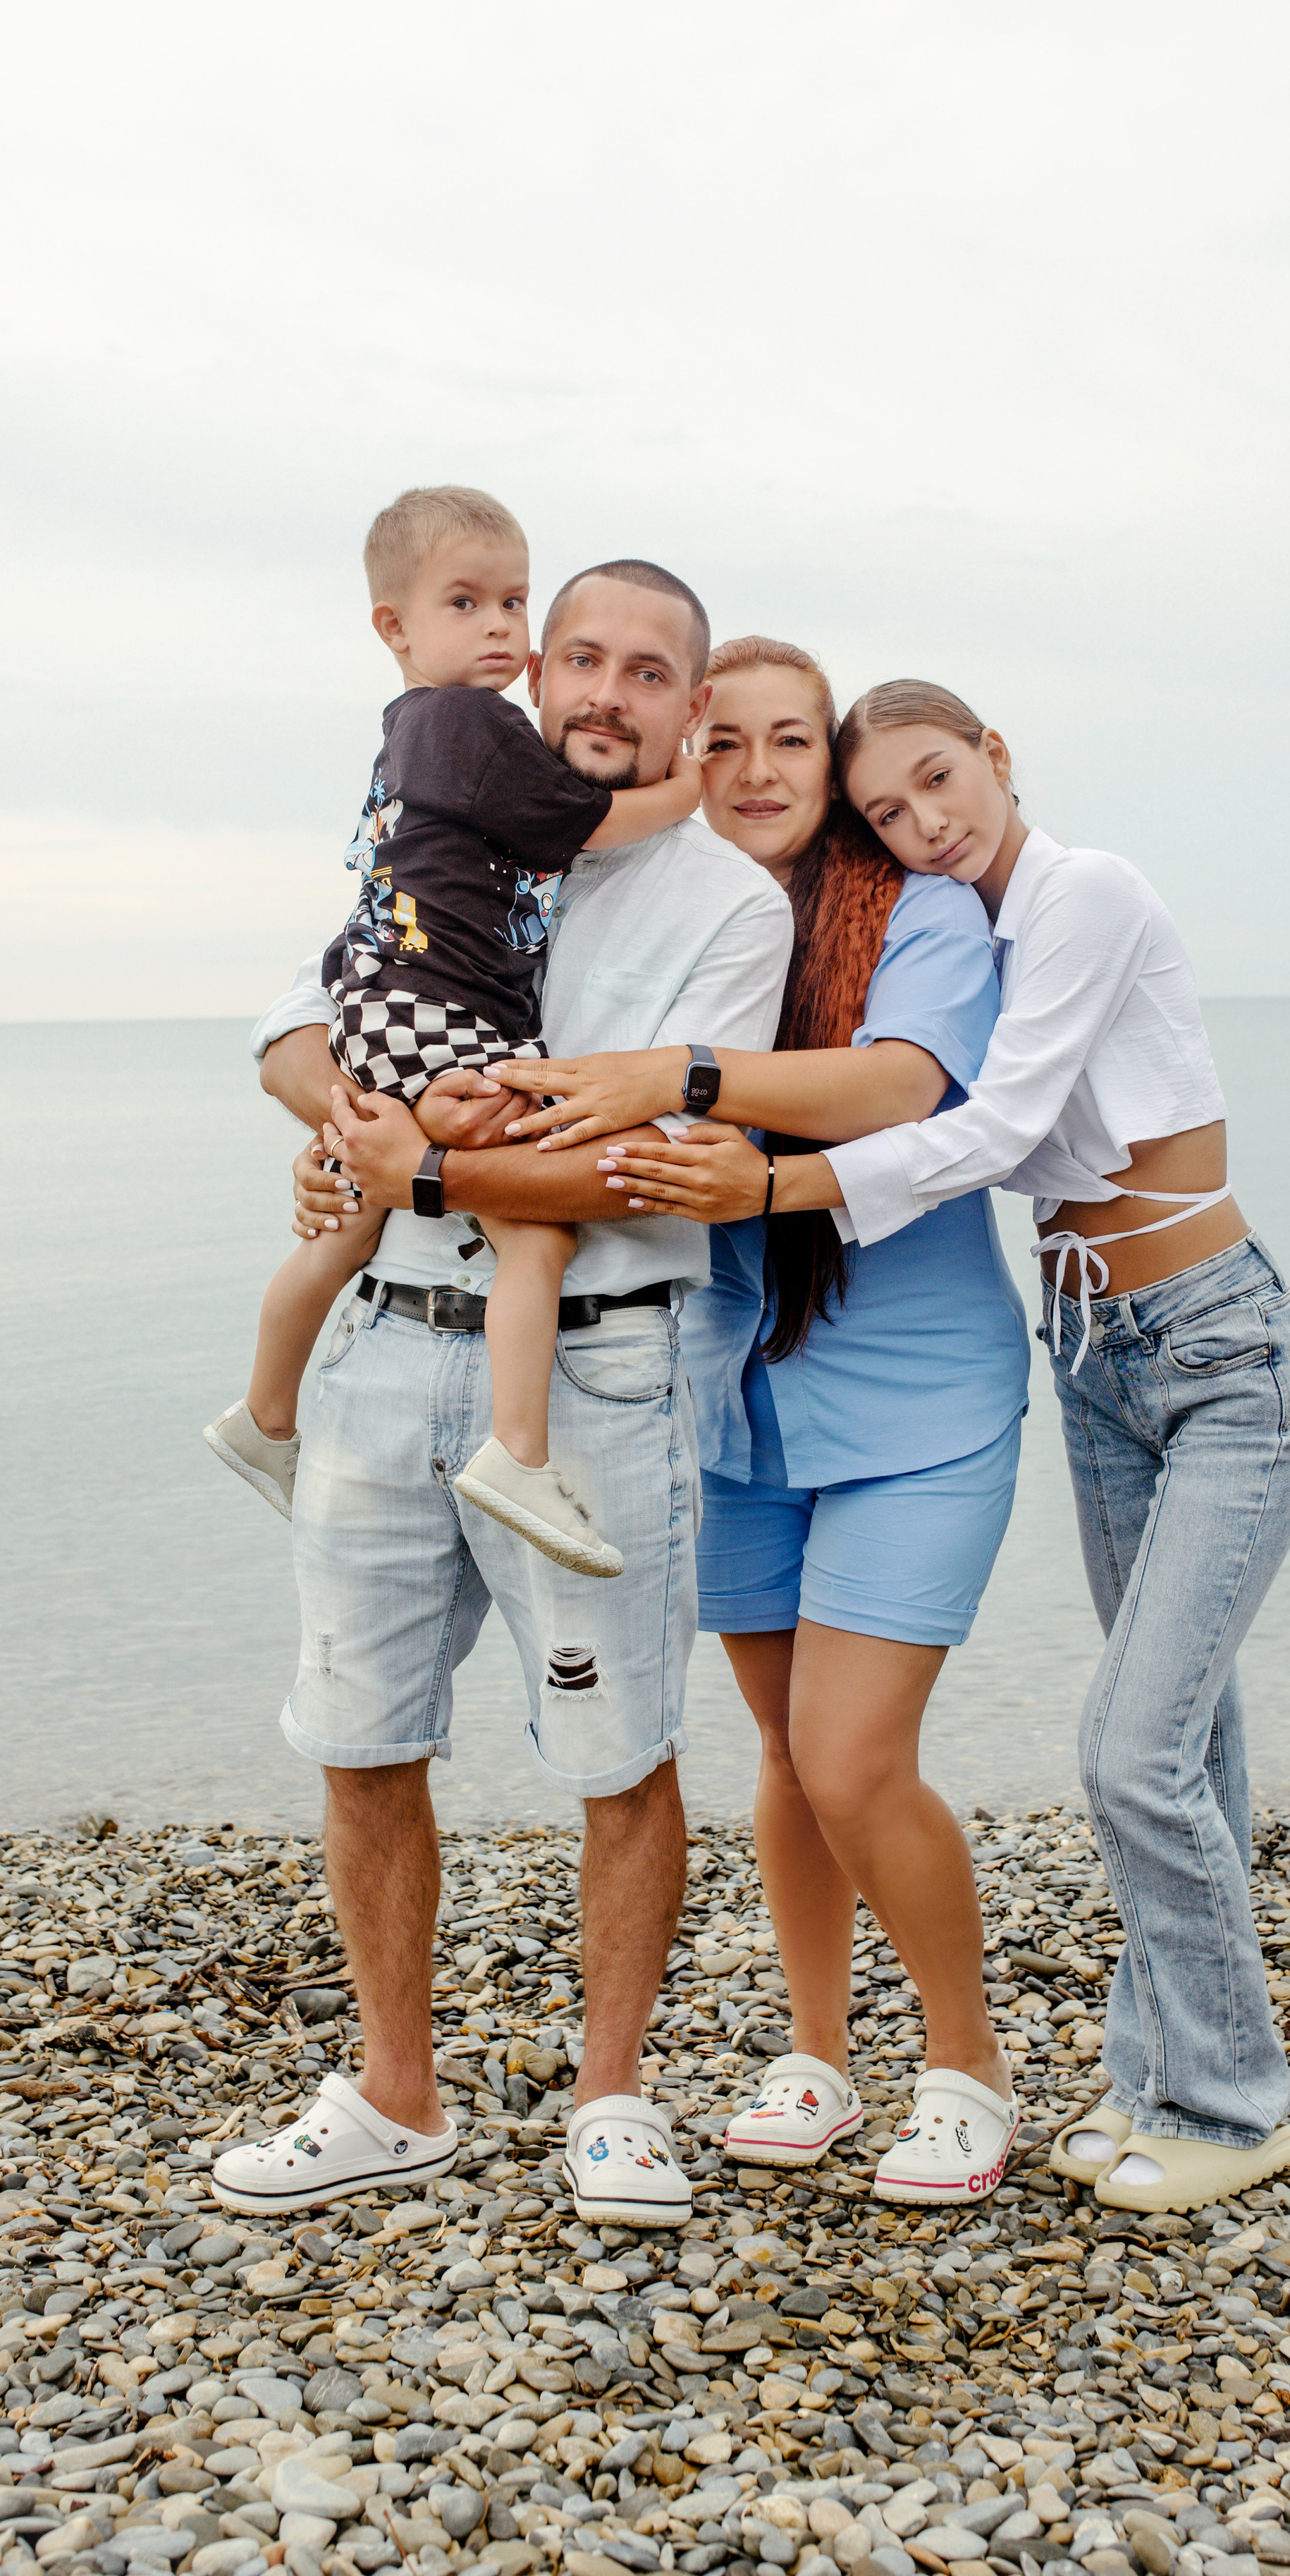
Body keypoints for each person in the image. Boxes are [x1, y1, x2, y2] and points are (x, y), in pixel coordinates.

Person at [561, 678, 1290, 2218]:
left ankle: (1199, 2098)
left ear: (994, 751)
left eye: (932, 779)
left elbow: (965, 1113)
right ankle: (1151, 2078)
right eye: (894, 801)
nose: (924, 819)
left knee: (1108, 1751)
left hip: (1203, 1334)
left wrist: (739, 1163)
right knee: (1171, 1746)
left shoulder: (1033, 903)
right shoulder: (744, 920)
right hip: (1081, 1343)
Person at [207, 563, 793, 2228]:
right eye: (583, 657)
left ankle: (614, 2101)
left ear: (689, 706)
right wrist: (351, 1119)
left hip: (601, 1364)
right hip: (387, 1345)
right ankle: (395, 2093)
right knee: (357, 1732)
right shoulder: (449, 816)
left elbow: (649, 1166)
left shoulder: (726, 909)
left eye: (650, 671)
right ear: (537, 673)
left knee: (620, 1753)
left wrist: (426, 1161)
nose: (610, 690)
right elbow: (288, 1022)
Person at [490, 638, 1031, 2206]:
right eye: (722, 741)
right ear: (678, 757)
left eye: (792, 740)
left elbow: (902, 1089)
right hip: (722, 1395)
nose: (758, 772)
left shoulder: (917, 914)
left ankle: (964, 2060)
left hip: (917, 1396)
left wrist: (683, 1081)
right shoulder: (659, 918)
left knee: (853, 1758)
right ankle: (820, 2051)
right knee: (786, 1761)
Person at [202, 487, 702, 1576]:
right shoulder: (471, 726)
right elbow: (588, 823)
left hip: (384, 1004)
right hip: (441, 1019)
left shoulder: (407, 740)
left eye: (511, 602)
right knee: (536, 1229)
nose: (495, 628)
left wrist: (374, 1121)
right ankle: (519, 1455)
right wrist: (688, 791)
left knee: (347, 1219)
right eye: (467, 602)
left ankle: (265, 1415)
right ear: (394, 627)